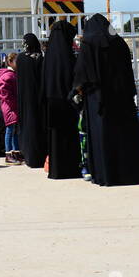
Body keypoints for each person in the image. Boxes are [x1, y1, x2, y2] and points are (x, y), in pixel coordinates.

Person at [72, 14, 139, 187]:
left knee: (103, 137)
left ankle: (106, 174)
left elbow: (82, 74)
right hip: (121, 98)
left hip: (98, 99)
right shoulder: (119, 43)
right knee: (125, 136)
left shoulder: (88, 43)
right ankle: (130, 173)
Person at [43, 19, 81, 179]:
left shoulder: (48, 57)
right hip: (67, 102)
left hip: (52, 102)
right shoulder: (68, 56)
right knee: (69, 137)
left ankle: (56, 170)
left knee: (55, 138)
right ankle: (71, 168)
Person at [15, 33, 47, 169]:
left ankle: (28, 156)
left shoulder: (20, 58)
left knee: (27, 127)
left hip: (24, 99)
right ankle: (42, 156)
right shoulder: (40, 58)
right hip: (39, 99)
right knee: (40, 126)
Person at [0, 52, 21, 162]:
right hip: (10, 107)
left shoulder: (11, 75)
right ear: (10, 62)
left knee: (14, 130)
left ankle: (15, 152)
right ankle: (8, 153)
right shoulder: (8, 76)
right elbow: (6, 95)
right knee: (10, 130)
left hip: (11, 106)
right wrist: (15, 104)